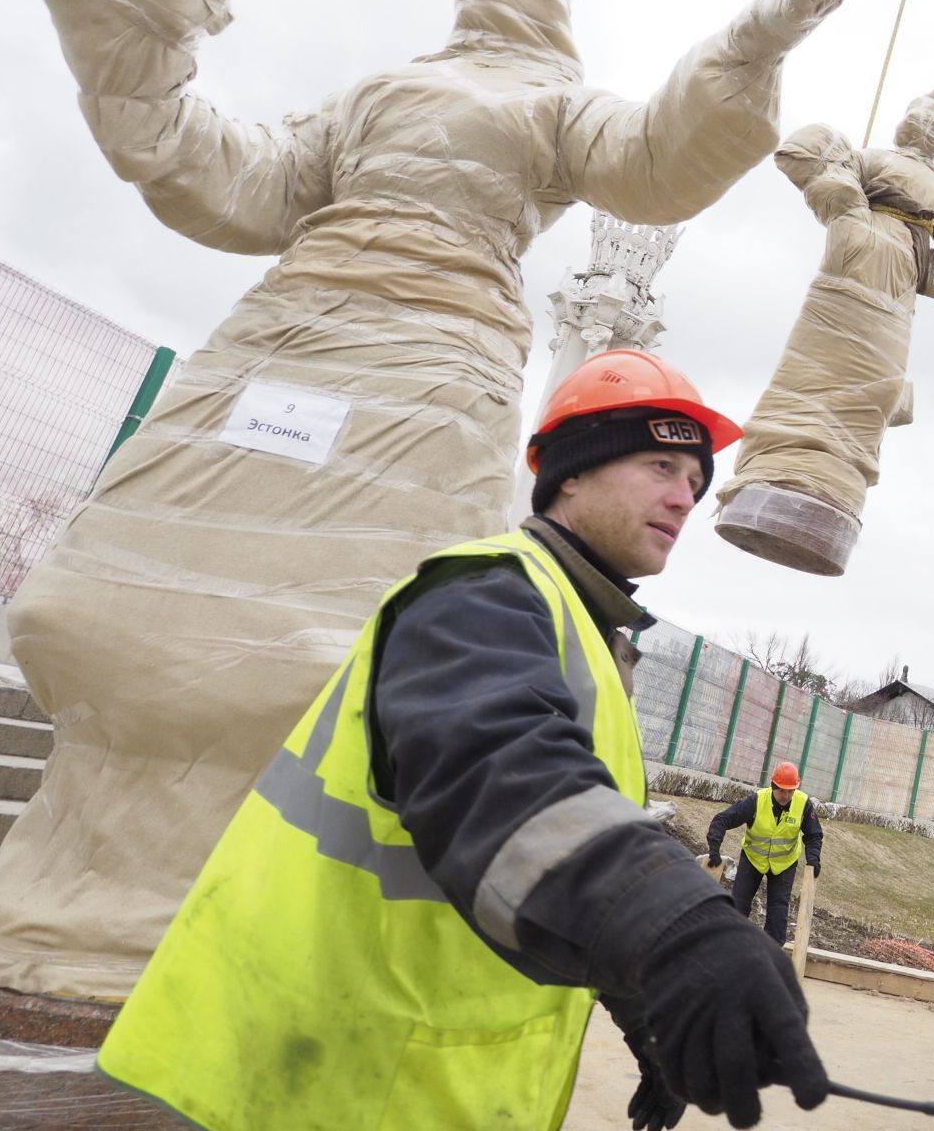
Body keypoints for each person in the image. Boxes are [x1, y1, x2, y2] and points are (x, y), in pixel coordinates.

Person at [95, 350, 828, 1131]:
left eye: (696, 482)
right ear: (570, 475)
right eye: (660, 466)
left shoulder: (581, 631)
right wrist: (675, 924)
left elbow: (559, 835)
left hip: (420, 1072)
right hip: (320, 1076)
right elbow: (501, 778)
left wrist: (641, 1003)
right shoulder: (483, 593)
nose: (685, 498)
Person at [707, 761, 824, 945]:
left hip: (784, 864)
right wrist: (714, 847)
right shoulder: (756, 801)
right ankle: (730, 945)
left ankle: (771, 955)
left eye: (790, 791)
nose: (786, 795)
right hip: (753, 859)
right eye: (782, 791)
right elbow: (722, 819)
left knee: (778, 914)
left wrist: (813, 858)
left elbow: (814, 834)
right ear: (773, 786)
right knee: (739, 904)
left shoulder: (803, 804)